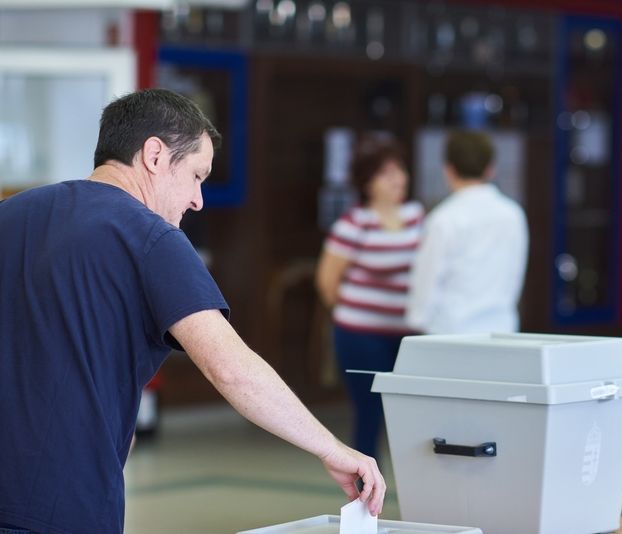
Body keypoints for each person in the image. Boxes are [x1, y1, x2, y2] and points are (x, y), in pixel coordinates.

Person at [0, 89, 385, 534]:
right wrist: (331, 448)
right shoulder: (152, 238)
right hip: (62, 505)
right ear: (154, 155)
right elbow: (231, 370)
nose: (198, 199)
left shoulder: (12, 215)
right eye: (197, 175)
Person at [316, 136, 423, 461]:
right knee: (369, 413)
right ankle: (365, 487)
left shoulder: (417, 216)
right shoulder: (354, 224)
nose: (397, 179)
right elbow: (327, 282)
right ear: (367, 183)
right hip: (360, 336)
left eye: (399, 170)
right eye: (386, 174)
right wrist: (357, 314)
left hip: (410, 335)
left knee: (412, 416)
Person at [406, 129, 529, 334]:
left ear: (448, 170)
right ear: (491, 169)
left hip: (451, 333)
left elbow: (427, 281)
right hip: (501, 330)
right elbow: (515, 276)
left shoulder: (443, 218)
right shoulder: (513, 214)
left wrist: (417, 320)